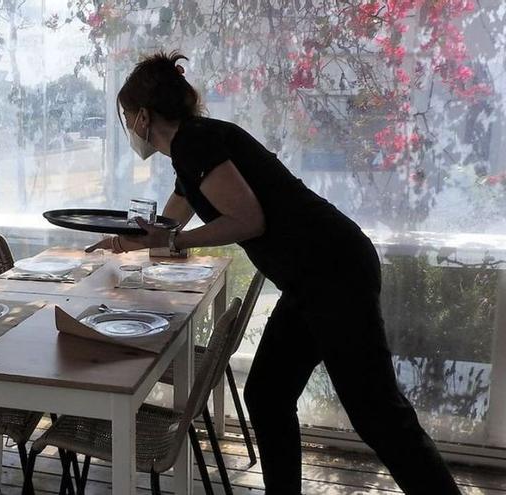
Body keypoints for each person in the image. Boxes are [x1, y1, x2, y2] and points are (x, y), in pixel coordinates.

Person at [87, 51, 461, 494]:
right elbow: (171, 222)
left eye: (128, 117)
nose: (129, 127)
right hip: (315, 275)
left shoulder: (195, 143)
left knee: (378, 414)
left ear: (144, 116)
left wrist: (171, 244)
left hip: (332, 270)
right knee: (267, 396)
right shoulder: (191, 149)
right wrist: (125, 239)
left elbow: (248, 220)